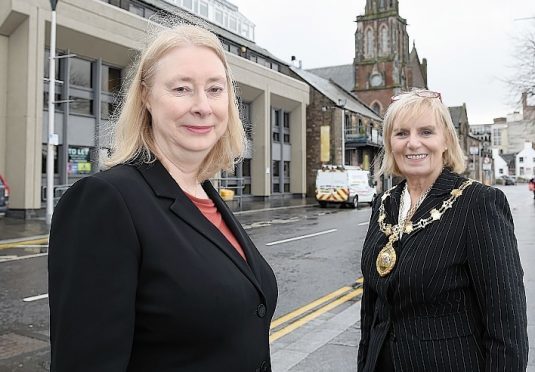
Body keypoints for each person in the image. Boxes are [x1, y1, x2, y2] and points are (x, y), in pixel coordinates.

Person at [48, 24, 277, 372]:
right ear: (145, 97)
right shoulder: (106, 201)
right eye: (182, 89)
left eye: (215, 89)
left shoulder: (206, 195)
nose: (202, 106)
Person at [358, 90, 528, 372]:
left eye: (426, 132)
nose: (413, 143)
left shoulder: (479, 203)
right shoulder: (383, 204)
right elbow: (372, 310)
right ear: (390, 143)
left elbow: (507, 327)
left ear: (446, 139)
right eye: (401, 134)